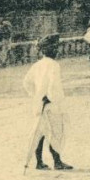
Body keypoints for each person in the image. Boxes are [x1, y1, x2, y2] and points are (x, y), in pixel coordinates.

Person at [22, 33, 72, 171]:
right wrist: (50, 97)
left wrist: (36, 95)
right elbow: (54, 84)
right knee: (55, 132)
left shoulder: (37, 65)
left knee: (40, 132)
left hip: (39, 103)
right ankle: (57, 162)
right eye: (54, 48)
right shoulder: (54, 65)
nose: (56, 51)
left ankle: (39, 162)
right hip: (52, 104)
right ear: (47, 50)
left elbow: (26, 82)